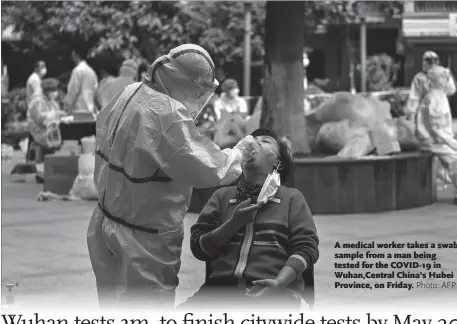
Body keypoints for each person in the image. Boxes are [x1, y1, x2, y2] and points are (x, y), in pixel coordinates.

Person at [87, 44, 260, 309]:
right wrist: (238, 153)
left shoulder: (130, 92)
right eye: (198, 89)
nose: (199, 96)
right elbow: (208, 168)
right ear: (185, 83)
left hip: (106, 222)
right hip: (144, 239)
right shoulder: (166, 113)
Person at [184, 128, 319, 310]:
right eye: (253, 139)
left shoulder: (292, 198)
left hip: (276, 294)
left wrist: (280, 283)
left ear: (278, 162)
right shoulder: (221, 196)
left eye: (265, 141)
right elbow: (199, 248)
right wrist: (233, 224)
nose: (254, 142)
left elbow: (306, 248)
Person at [405, 57, 457, 205]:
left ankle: (447, 179)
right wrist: (450, 142)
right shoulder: (435, 99)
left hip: (431, 138)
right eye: (446, 78)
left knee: (449, 160)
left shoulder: (436, 96)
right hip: (434, 140)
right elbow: (437, 127)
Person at [26, 78, 63, 163]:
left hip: (49, 128)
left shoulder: (49, 100)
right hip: (40, 131)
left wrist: (59, 114)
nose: (55, 92)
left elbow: (56, 111)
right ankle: (53, 162)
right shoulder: (37, 100)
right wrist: (55, 115)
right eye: (52, 90)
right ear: (46, 90)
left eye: (55, 89)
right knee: (63, 137)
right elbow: (41, 119)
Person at [64, 49, 98, 113]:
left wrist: (67, 105)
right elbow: (96, 89)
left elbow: (73, 90)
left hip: (79, 108)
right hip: (91, 107)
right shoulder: (91, 71)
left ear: (75, 56)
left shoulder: (77, 70)